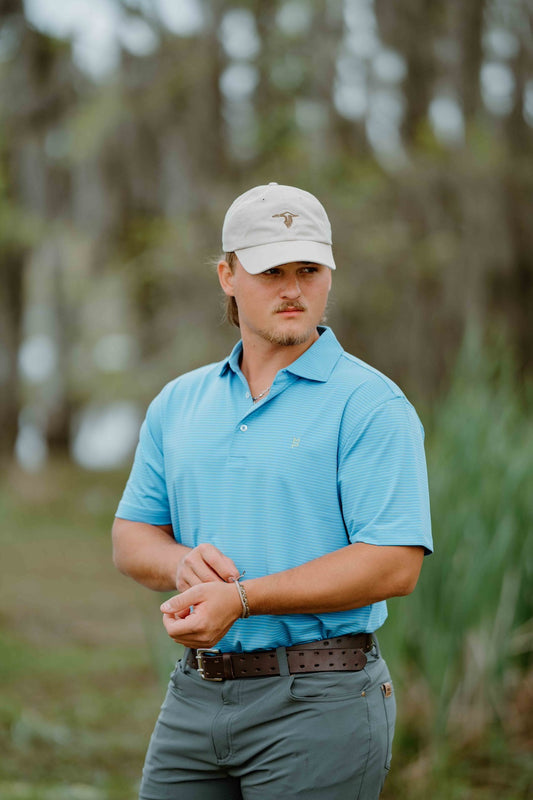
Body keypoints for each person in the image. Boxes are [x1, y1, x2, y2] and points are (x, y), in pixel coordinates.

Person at [112, 182, 433, 800]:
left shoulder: (371, 405)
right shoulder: (179, 402)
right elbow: (130, 539)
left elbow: (394, 563)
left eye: (308, 270)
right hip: (194, 696)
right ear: (227, 275)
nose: (293, 289)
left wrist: (243, 598)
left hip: (322, 702)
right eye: (270, 271)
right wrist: (179, 562)